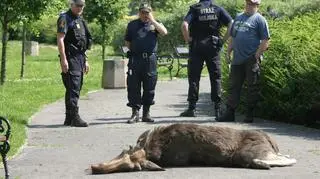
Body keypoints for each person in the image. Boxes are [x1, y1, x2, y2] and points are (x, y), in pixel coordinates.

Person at [217, 0, 270, 123]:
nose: (249, 6)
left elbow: (265, 40)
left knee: (252, 87)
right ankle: (230, 113)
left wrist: (257, 55)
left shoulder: (260, 20)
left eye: (252, 4)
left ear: (257, 6)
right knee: (234, 86)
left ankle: (249, 114)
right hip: (237, 59)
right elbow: (233, 36)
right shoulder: (238, 17)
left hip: (251, 59)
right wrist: (228, 51)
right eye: (247, 3)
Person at [180, 0, 233, 119]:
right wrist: (223, 40)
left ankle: (192, 108)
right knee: (215, 76)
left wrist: (188, 39)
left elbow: (184, 25)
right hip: (213, 46)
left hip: (196, 46)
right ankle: (218, 108)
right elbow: (231, 23)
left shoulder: (195, 8)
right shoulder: (218, 8)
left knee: (194, 77)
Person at [125, 3, 168, 124]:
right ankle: (135, 113)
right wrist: (133, 51)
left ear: (151, 12)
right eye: (143, 12)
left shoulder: (155, 23)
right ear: (139, 13)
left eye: (147, 12)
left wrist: (153, 20)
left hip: (150, 60)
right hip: (136, 59)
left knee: (149, 87)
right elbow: (127, 41)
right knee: (133, 86)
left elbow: (164, 32)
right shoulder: (132, 25)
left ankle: (146, 113)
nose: (145, 15)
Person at [57, 0, 92, 127]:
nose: (80, 8)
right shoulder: (64, 18)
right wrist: (63, 59)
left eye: (82, 6)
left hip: (80, 57)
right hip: (70, 57)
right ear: (71, 5)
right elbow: (60, 39)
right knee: (73, 87)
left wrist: (85, 60)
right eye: (77, 5)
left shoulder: (80, 20)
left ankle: (68, 118)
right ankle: (75, 117)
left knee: (74, 87)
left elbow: (82, 43)